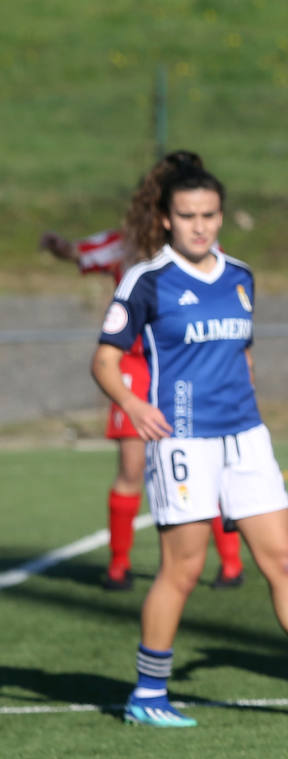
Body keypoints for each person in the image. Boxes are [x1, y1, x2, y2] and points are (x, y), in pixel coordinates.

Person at [91, 161, 288, 728]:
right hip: (183, 437)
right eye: (187, 216)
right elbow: (105, 360)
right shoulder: (146, 280)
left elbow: (243, 354)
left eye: (209, 215)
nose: (199, 227)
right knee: (184, 569)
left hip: (246, 438)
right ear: (166, 219)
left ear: (221, 214)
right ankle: (146, 695)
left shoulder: (241, 275)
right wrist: (135, 404)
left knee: (284, 560)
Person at [40, 152, 244, 591]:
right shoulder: (125, 246)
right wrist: (63, 249)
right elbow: (83, 252)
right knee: (132, 465)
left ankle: (230, 562)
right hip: (133, 365)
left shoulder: (207, 250)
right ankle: (119, 564)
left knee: (208, 462)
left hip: (186, 365)